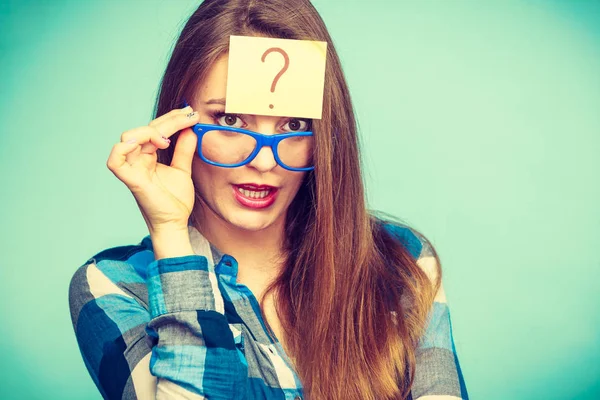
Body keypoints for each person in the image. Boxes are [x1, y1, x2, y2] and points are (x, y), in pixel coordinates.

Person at [68, 0, 468, 399]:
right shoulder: (115, 286)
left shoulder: (400, 263)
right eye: (230, 120)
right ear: (176, 121)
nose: (262, 161)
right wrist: (171, 235)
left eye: (294, 125)